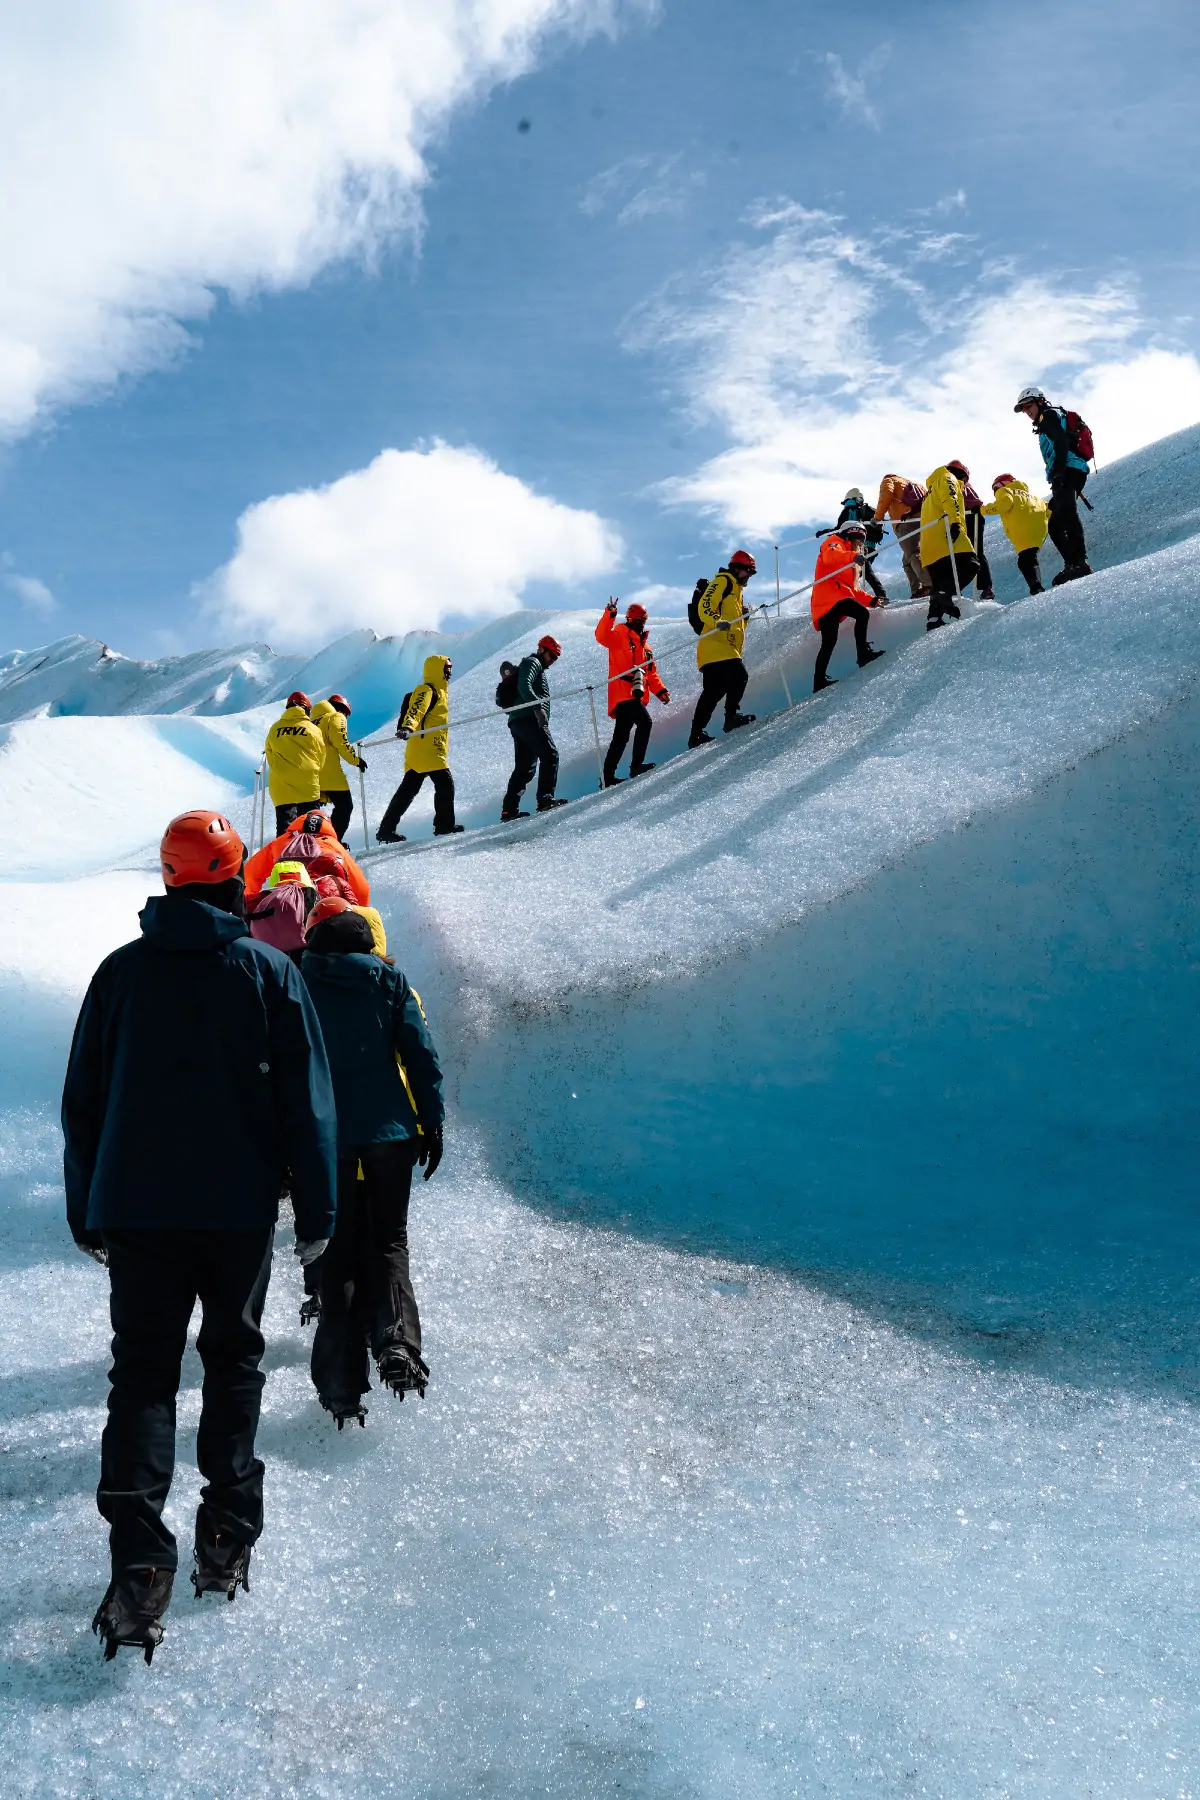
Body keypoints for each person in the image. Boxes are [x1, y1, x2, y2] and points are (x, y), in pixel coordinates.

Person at [62, 810, 337, 1663]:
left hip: (138, 1209)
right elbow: (308, 1102)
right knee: (234, 1359)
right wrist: (319, 1213)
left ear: (171, 877)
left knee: (142, 1377)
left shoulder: (119, 974)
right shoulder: (267, 973)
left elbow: (84, 1106)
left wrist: (88, 1209)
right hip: (235, 1210)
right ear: (231, 876)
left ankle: (139, 1571)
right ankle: (226, 1537)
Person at [301, 900, 445, 1428]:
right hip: (389, 1136)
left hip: (326, 1141)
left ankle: (341, 1390)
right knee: (388, 1241)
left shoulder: (296, 983)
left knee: (336, 1256)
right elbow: (421, 1054)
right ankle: (398, 1343)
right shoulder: (390, 980)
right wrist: (432, 1123)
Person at [377, 656, 463, 842]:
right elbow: (416, 709)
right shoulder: (427, 689)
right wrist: (408, 726)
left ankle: (386, 829)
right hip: (427, 749)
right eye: (447, 667)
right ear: (438, 669)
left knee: (407, 791)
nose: (450, 671)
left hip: (423, 749)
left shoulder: (440, 691)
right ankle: (444, 826)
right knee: (445, 785)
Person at [1014, 385, 1092, 583]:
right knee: (1055, 523)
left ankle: (1080, 562)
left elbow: (1060, 443)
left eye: (1028, 405)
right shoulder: (1045, 421)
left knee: (1067, 510)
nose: (1026, 411)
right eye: (1023, 408)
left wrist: (1058, 472)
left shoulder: (1048, 416)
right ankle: (1072, 563)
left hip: (1069, 469)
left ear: (1040, 401)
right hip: (1067, 470)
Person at [595, 599, 671, 786]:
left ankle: (607, 777)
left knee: (620, 737)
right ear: (628, 619)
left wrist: (660, 691)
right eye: (636, 620)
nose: (639, 624)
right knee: (645, 722)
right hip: (623, 694)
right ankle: (636, 766)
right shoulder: (619, 635)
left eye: (642, 621)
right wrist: (610, 614)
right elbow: (601, 636)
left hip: (636, 694)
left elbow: (651, 673)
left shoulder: (646, 648)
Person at [687, 549, 758, 748]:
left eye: (751, 573)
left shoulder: (736, 591)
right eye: (747, 572)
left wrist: (745, 618)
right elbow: (705, 606)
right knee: (739, 676)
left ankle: (695, 736)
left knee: (712, 693)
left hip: (719, 649)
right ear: (737, 568)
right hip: (717, 646)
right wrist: (717, 621)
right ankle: (731, 718)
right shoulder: (723, 581)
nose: (748, 577)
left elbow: (736, 626)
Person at [810, 523, 886, 693]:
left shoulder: (849, 559)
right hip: (831, 598)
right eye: (859, 541)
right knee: (862, 614)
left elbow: (851, 590)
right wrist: (852, 557)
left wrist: (873, 600)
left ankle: (819, 681)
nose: (860, 546)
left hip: (827, 603)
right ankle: (863, 655)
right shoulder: (834, 542)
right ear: (851, 535)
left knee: (829, 642)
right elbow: (831, 556)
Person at [244, 809, 371, 906]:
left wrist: (247, 907)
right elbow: (362, 889)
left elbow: (250, 874)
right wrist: (359, 915)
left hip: (286, 900)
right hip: (327, 900)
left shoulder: (279, 842)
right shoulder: (335, 845)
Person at [502, 636, 567, 820]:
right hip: (529, 718)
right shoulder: (532, 662)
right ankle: (545, 799)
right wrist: (538, 709)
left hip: (518, 721)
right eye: (551, 656)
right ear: (541, 650)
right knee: (550, 754)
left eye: (555, 658)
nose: (552, 661)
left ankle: (509, 810)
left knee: (525, 768)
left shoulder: (532, 664)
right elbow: (524, 685)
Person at [919, 464, 977, 631]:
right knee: (971, 564)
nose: (965, 484)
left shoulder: (927, 493)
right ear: (959, 474)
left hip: (929, 547)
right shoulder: (947, 478)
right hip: (946, 537)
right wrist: (956, 524)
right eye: (965, 479)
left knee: (939, 581)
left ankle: (933, 619)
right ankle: (945, 595)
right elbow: (950, 499)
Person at [264, 693, 325, 837]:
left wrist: (283, 770)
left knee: (285, 831)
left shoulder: (275, 729)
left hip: (281, 787)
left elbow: (269, 754)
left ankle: (284, 857)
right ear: (306, 709)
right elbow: (321, 756)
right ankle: (311, 856)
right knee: (311, 828)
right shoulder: (312, 729)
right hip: (308, 784)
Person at [310, 694, 366, 843]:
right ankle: (331, 842)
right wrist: (356, 760)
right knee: (345, 806)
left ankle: (315, 843)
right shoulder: (335, 717)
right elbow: (341, 741)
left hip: (312, 774)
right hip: (330, 773)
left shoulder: (313, 722)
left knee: (313, 813)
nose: (345, 717)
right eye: (346, 714)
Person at [981, 473, 1050, 594]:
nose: (995, 491)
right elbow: (1048, 509)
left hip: (1022, 530)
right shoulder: (1032, 496)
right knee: (1029, 558)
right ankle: (1036, 585)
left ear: (1005, 483)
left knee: (1025, 561)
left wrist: (982, 510)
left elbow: (1004, 505)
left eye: (996, 487)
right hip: (1040, 532)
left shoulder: (1005, 492)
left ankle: (1036, 587)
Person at [873, 475, 931, 599]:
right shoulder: (917, 485)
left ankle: (928, 586)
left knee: (913, 553)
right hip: (924, 521)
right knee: (907, 560)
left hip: (905, 522)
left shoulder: (889, 480)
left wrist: (878, 517)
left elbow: (886, 495)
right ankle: (917, 590)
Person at [945, 461, 995, 600]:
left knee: (968, 552)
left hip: (969, 516)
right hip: (972, 516)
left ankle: (958, 589)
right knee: (975, 551)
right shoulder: (965, 484)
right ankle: (985, 588)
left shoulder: (956, 483)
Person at [836, 489, 888, 604]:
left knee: (864, 572)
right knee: (860, 573)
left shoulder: (849, 511)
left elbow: (839, 529)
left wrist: (825, 532)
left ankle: (881, 596)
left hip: (859, 547)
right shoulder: (868, 512)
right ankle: (852, 599)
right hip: (871, 546)